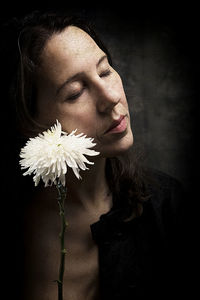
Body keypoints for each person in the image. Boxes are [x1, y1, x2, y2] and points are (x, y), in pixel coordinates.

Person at [1, 10, 188, 300]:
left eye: (105, 71)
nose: (111, 97)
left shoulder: (167, 208)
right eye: (76, 92)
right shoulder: (17, 222)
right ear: (30, 122)